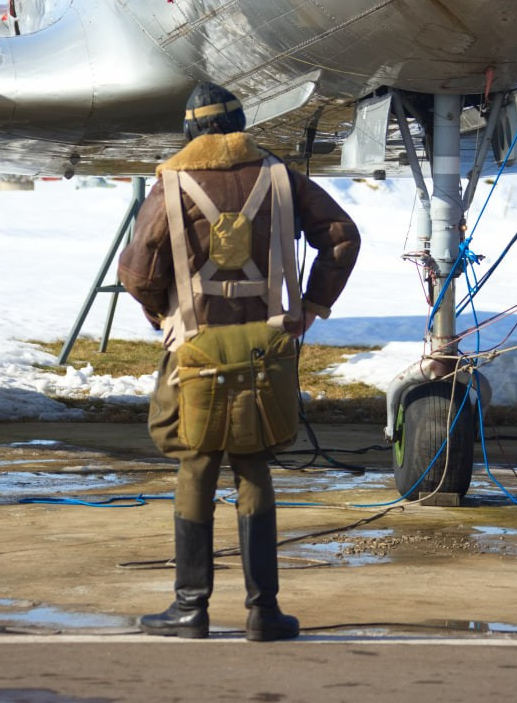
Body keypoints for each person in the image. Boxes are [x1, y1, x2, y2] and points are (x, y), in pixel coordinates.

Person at [118, 81, 360, 641]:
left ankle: (189, 609)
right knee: (254, 467)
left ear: (189, 131)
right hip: (266, 349)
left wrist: (165, 316)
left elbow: (136, 273)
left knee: (196, 464)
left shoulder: (171, 184)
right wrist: (314, 303)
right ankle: (264, 613)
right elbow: (341, 236)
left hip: (196, 349)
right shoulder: (280, 177)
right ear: (241, 122)